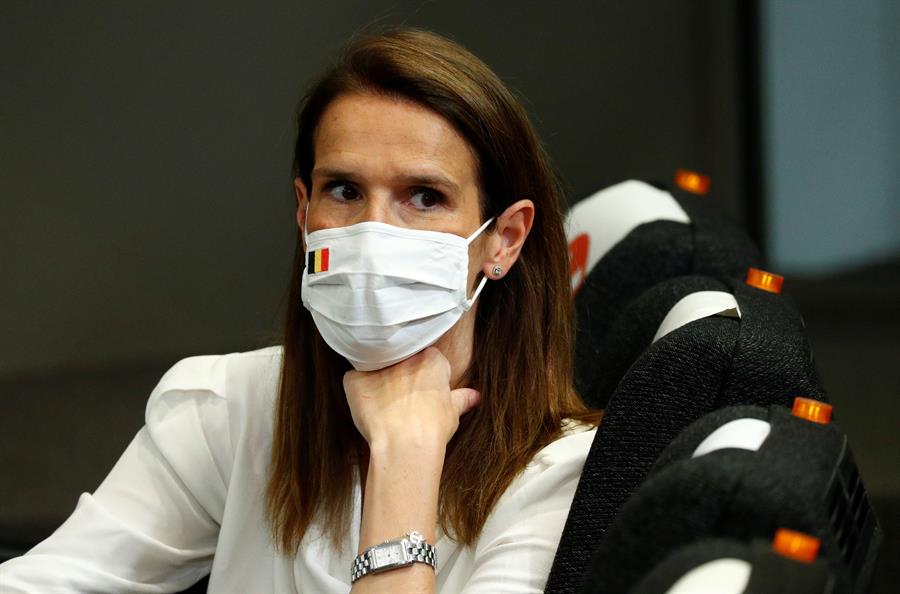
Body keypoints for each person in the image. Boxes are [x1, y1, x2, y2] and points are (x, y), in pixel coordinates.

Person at [0, 28, 601, 593]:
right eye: (344, 190)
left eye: (424, 196)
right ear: (303, 210)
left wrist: (404, 455)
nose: (373, 231)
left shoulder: (562, 476)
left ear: (504, 240)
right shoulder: (228, 407)